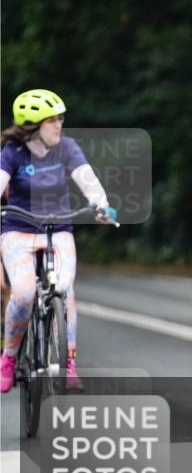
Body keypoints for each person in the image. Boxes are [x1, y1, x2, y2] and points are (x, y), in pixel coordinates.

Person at [0, 89, 117, 393]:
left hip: (58, 229)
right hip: (18, 230)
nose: (58, 124)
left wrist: (101, 205)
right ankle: (9, 357)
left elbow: (86, 178)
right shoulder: (13, 152)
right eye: (51, 120)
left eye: (60, 118)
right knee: (24, 293)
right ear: (32, 126)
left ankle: (69, 365)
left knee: (64, 289)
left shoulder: (67, 148)